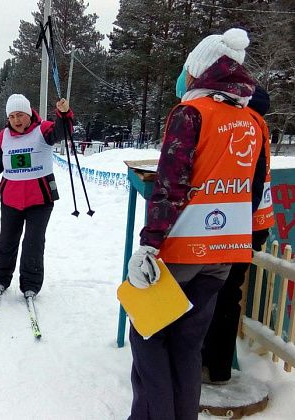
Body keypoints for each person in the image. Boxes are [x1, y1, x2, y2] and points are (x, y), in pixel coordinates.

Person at [126, 28, 266, 420]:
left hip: (180, 251)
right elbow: (254, 190)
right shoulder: (253, 120)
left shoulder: (192, 113)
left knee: (149, 335)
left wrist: (150, 244)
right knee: (188, 345)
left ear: (200, 71)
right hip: (223, 254)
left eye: (186, 70)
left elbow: (171, 186)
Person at [201, 85, 275, 385]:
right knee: (226, 294)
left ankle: (213, 366)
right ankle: (215, 366)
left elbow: (247, 180)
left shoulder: (246, 122)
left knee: (221, 294)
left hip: (241, 222)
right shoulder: (256, 120)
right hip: (252, 221)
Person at [0, 93, 72, 299]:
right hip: (11, 200)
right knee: (6, 241)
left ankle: (30, 285)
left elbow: (62, 131)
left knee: (33, 243)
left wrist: (64, 114)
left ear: (29, 114)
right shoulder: (4, 136)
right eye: (12, 116)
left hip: (40, 200)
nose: (16, 120)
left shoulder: (43, 130)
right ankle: (0, 280)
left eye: (20, 115)